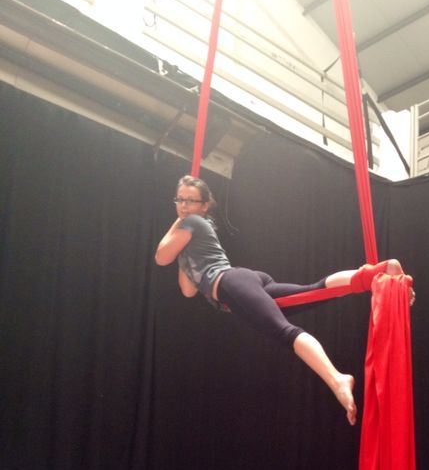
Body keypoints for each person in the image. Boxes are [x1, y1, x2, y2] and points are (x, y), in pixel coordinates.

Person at [155, 175, 414, 426]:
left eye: (191, 201)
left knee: (285, 332)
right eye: (180, 200)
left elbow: (160, 257)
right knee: (313, 291)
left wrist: (177, 223)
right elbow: (188, 290)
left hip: (231, 283)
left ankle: (337, 380)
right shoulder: (194, 234)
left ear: (204, 206)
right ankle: (374, 273)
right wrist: (182, 254)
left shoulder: (193, 223)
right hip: (244, 281)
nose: (184, 206)